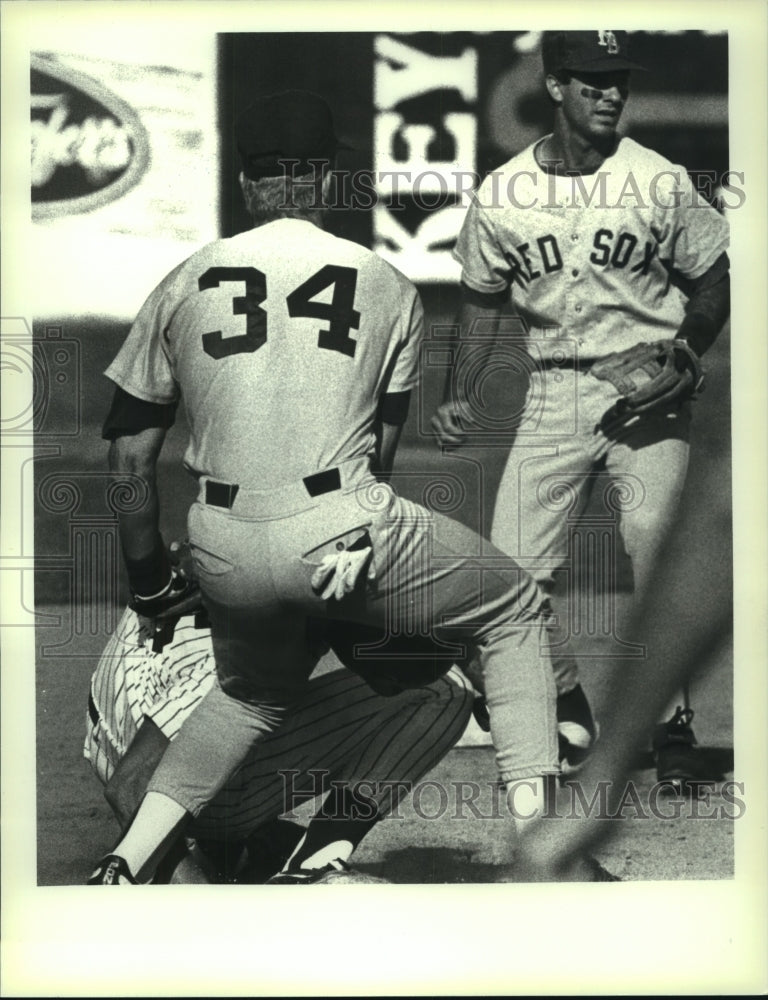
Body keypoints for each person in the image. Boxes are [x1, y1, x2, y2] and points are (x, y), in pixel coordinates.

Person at [88, 89, 563, 886]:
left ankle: (125, 865)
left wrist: (149, 584)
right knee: (512, 608)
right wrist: (347, 585)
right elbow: (375, 456)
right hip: (339, 521)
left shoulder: (182, 279)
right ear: (321, 180)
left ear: (247, 184)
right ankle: (546, 849)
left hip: (220, 539)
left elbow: (130, 463)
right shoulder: (385, 283)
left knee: (248, 695)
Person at [432, 31, 730, 790]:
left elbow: (714, 274)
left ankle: (672, 731)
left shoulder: (656, 180)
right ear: (555, 86)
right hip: (553, 390)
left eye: (619, 80)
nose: (612, 93)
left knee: (655, 550)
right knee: (509, 576)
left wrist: (688, 350)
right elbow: (479, 299)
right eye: (593, 81)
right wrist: (460, 387)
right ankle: (561, 707)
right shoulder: (502, 193)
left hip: (648, 391)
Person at [85, 598, 475, 884]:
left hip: (157, 752)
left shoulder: (262, 579)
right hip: (160, 797)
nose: (394, 684)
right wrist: (202, 907)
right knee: (446, 691)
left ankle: (261, 850)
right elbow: (128, 786)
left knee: (441, 679)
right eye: (395, 672)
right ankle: (298, 863)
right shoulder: (249, 651)